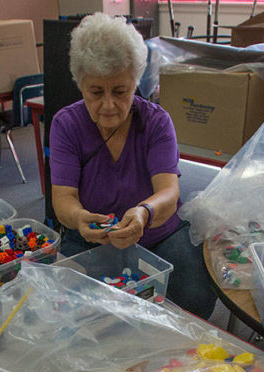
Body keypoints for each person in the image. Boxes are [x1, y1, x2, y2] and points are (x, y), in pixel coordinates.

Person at [49, 13, 217, 319]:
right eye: (96, 92)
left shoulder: (155, 122)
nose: (109, 105)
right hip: (91, 237)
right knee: (83, 315)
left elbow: (168, 191)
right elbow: (63, 201)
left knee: (194, 299)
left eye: (121, 91)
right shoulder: (66, 125)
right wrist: (80, 218)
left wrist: (144, 213)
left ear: (135, 81)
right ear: (80, 84)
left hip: (159, 235)